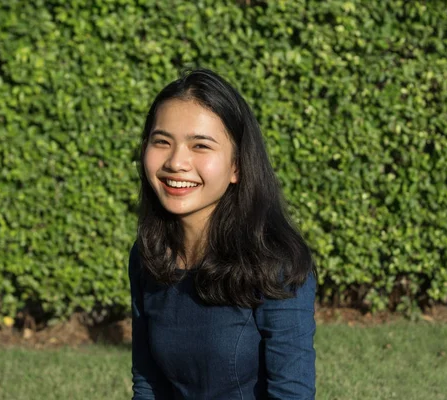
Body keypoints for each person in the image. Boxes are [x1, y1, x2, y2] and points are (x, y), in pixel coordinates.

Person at [128, 68, 317, 399]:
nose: (176, 162)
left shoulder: (275, 263)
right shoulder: (150, 255)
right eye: (162, 141)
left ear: (237, 166)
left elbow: (292, 392)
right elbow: (148, 383)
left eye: (200, 145)